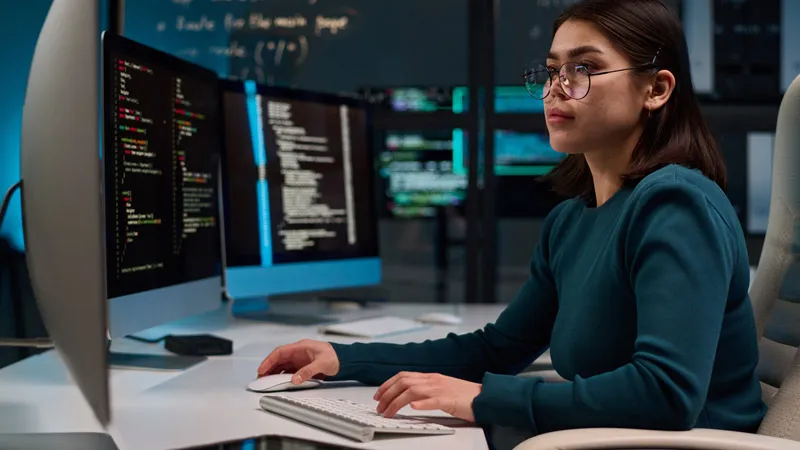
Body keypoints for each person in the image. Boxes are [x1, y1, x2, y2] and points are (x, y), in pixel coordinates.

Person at [257, 0, 767, 446]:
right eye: (551, 71)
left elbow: (666, 393)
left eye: (584, 69)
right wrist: (344, 360)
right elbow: (498, 349)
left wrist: (482, 398)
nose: (556, 89)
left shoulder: (677, 206)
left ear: (655, 89)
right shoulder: (572, 220)